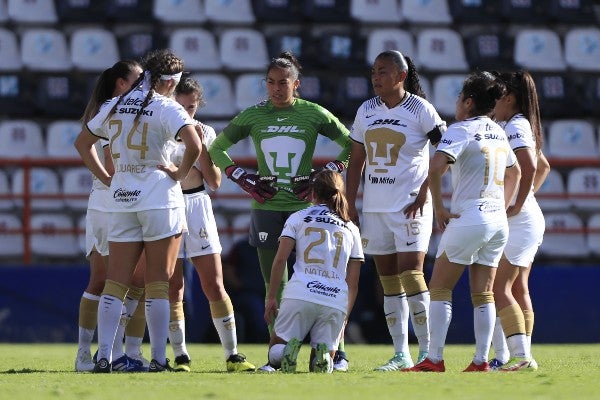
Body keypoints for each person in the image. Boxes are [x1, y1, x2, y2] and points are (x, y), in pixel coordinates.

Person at [208, 51, 352, 371]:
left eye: (283, 83)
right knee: (275, 283)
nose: (276, 88)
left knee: (320, 276)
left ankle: (335, 350)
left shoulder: (314, 114)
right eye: (270, 83)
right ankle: (277, 352)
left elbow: (353, 146)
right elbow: (216, 148)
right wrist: (242, 178)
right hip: (266, 207)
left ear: (296, 84)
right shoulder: (254, 115)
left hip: (306, 211)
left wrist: (324, 172)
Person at [74, 49, 202, 373]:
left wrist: (106, 177)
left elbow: (82, 143)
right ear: (171, 82)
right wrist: (179, 172)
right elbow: (195, 144)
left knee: (115, 281)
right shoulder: (167, 107)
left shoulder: (114, 105)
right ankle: (159, 359)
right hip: (159, 197)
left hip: (121, 197)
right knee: (158, 282)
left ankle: (104, 356)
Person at [410, 71, 520, 372]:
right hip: (497, 220)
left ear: (469, 102)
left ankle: (434, 359)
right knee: (483, 292)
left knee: (440, 289)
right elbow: (516, 172)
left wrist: (440, 208)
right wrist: (503, 204)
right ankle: (481, 360)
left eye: (460, 98)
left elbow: (435, 169)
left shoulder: (461, 129)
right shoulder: (498, 131)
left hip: (470, 215)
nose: (457, 103)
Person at [345, 50, 446, 371]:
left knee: (412, 275)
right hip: (375, 208)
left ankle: (428, 353)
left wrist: (426, 193)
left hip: (411, 205)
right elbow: (356, 161)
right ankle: (400, 353)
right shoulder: (366, 110)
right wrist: (349, 202)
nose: (376, 77)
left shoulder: (420, 109)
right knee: (388, 282)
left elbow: (445, 150)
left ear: (401, 76)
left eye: (383, 71)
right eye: (374, 71)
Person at [167, 75, 256, 372]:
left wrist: (199, 145)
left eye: (192, 107)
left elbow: (215, 181)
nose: (187, 113)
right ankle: (180, 355)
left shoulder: (205, 131)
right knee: (173, 287)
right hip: (168, 205)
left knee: (213, 282)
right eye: (181, 106)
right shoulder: (161, 130)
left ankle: (232, 354)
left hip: (197, 204)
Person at [74, 60, 149, 373]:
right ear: (121, 82)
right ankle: (91, 354)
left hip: (123, 201)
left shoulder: (124, 108)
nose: (144, 84)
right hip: (109, 204)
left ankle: (120, 352)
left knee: (136, 281)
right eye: (138, 79)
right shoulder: (111, 110)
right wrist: (108, 179)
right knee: (108, 279)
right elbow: (100, 153)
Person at [263, 170, 363, 373]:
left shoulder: (298, 217)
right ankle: (322, 356)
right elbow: (353, 282)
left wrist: (271, 297)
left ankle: (285, 352)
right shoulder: (351, 227)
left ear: (312, 193)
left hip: (300, 293)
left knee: (275, 353)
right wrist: (345, 315)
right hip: (335, 299)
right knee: (319, 360)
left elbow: (280, 259)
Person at [489, 70, 550, 371]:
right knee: (517, 288)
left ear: (510, 98)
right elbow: (544, 167)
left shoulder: (514, 126)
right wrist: (525, 199)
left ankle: (521, 356)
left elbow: (528, 166)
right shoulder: (524, 123)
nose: (493, 103)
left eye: (497, 97)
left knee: (499, 287)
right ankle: (521, 355)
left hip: (521, 219)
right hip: (528, 218)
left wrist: (517, 202)